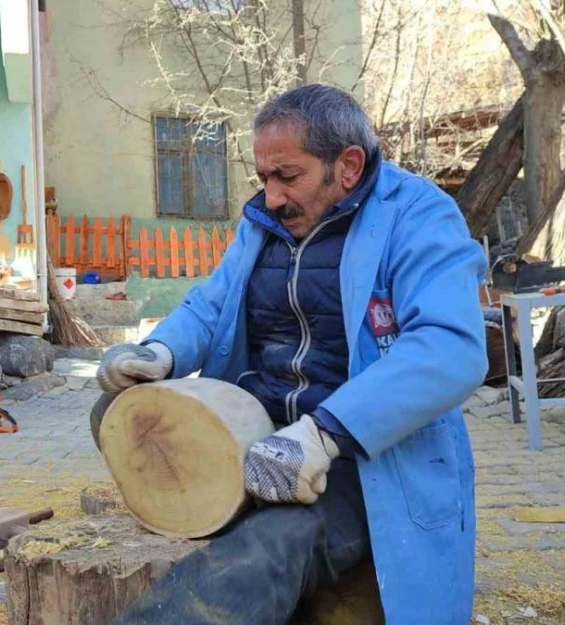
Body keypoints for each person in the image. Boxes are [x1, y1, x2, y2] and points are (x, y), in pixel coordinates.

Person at [92, 83, 488, 625]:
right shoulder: (265, 223)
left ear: (347, 165)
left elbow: (451, 347)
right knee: (117, 407)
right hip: (262, 434)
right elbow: (210, 305)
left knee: (268, 549)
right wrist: (160, 352)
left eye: (288, 176)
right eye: (263, 178)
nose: (271, 195)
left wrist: (324, 434)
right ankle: (221, 505)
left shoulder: (418, 216)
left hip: (359, 455)